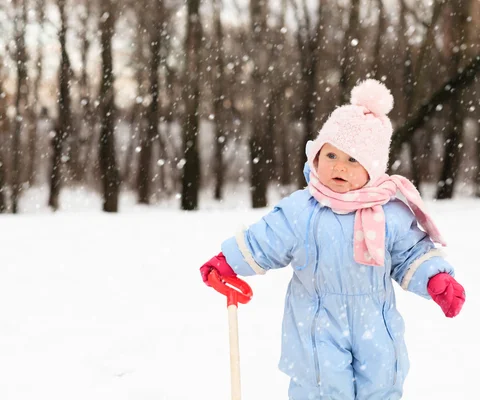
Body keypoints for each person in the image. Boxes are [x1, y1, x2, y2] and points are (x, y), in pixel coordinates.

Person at [200, 79, 466, 399]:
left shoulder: (389, 213)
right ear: (316, 156)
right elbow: (265, 239)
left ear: (372, 169)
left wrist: (435, 277)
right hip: (317, 323)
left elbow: (411, 252)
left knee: (382, 383)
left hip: (375, 323)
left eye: (353, 160)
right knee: (323, 386)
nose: (340, 167)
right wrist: (228, 261)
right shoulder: (302, 209)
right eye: (331, 156)